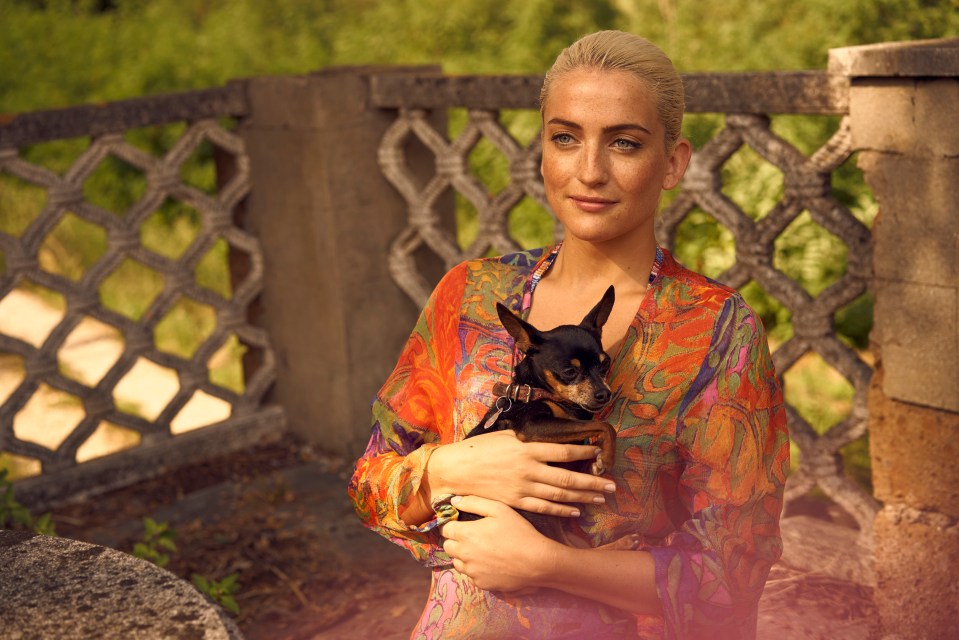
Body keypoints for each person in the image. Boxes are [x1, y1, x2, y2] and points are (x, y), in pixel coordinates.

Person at [348, 30, 789, 640]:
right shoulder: (471, 296)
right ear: (542, 152)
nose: (589, 171)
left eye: (625, 143)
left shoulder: (714, 329)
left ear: (674, 163)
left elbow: (732, 578)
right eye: (565, 138)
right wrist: (453, 468)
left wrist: (550, 564)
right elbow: (370, 484)